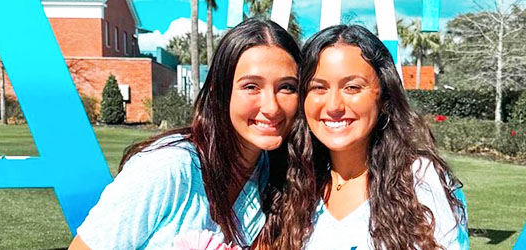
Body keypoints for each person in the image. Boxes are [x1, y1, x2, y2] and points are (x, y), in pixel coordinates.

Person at [68, 19, 301, 249]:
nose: (272, 107)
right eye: (251, 86)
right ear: (219, 91)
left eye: (287, 87)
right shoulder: (169, 167)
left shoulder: (278, 175)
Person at [267, 25, 469, 250]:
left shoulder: (418, 178)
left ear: (383, 98)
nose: (334, 105)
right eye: (319, 88)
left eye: (352, 87)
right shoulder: (293, 182)